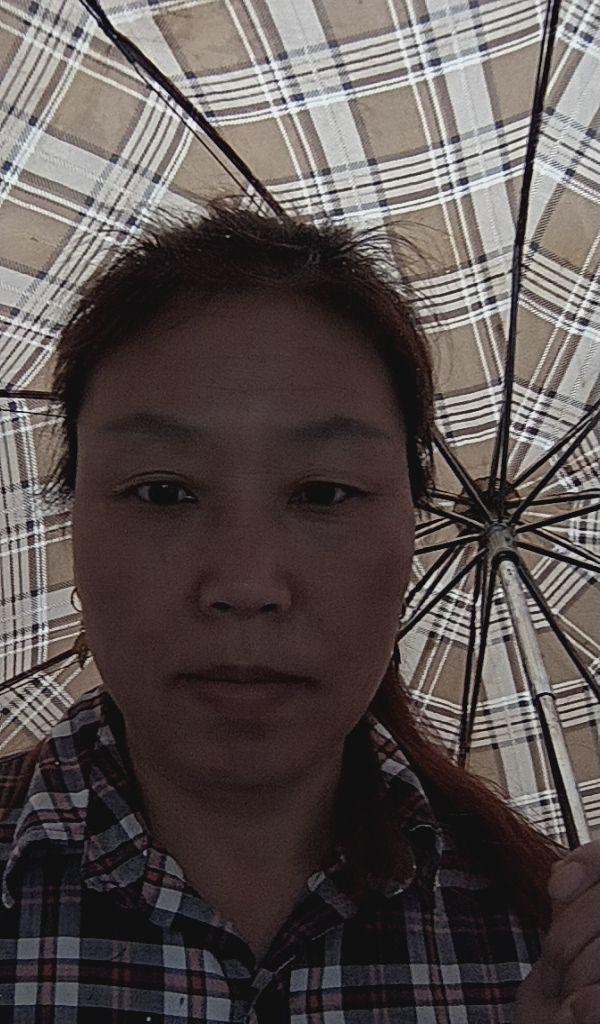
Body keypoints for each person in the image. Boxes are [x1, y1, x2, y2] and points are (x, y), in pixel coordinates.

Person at [0, 195, 584, 1022]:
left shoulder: (554, 942)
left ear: (412, 530)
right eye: (163, 491)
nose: (246, 584)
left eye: (323, 493)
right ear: (73, 526)